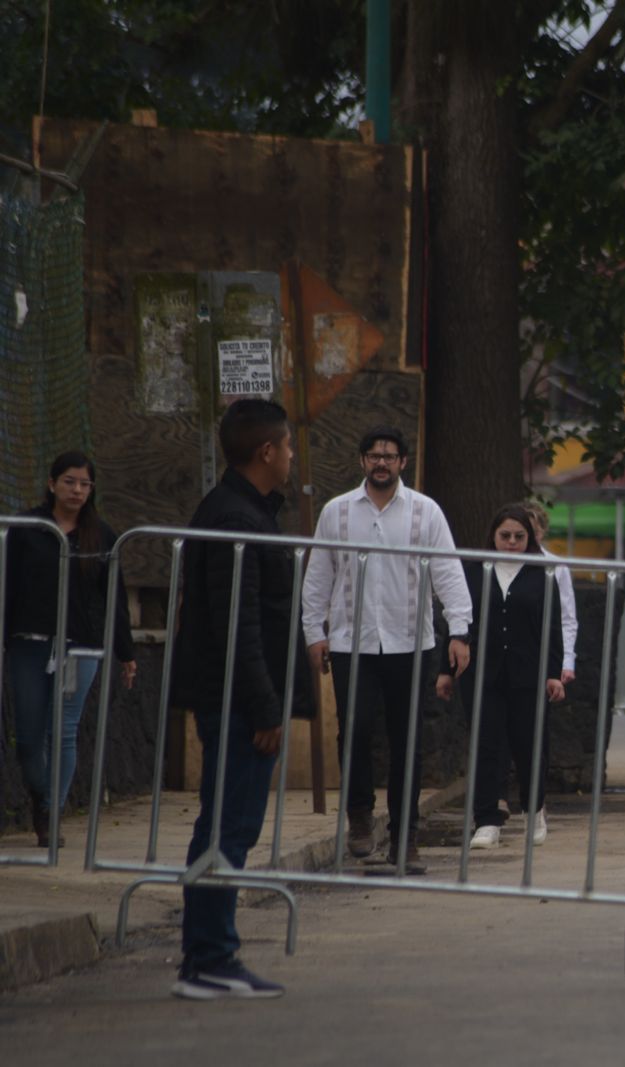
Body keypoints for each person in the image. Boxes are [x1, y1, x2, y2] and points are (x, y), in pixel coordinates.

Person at [170, 399, 313, 999]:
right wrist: (264, 709)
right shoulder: (236, 518)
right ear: (267, 452)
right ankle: (210, 958)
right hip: (236, 702)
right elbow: (240, 625)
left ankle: (208, 955)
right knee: (228, 827)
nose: (291, 456)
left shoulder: (243, 510)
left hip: (236, 697)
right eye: (287, 446)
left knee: (227, 825)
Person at [301, 427, 473, 873]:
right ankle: (360, 816)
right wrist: (313, 633)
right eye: (374, 455)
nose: (381, 463)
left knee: (407, 742)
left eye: (390, 456)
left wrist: (459, 630)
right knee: (354, 732)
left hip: (409, 641)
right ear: (361, 461)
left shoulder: (425, 511)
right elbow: (319, 575)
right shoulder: (336, 512)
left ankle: (405, 836)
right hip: (350, 641)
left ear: (403, 462)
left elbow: (448, 572)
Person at [4, 451, 136, 847]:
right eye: (69, 481)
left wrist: (125, 652)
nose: (77, 490)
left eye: (84, 484)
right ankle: (42, 798)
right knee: (28, 736)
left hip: (80, 647)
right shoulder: (26, 529)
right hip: (29, 644)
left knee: (63, 730)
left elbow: (115, 596)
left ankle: (51, 814)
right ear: (52, 483)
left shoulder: (103, 535)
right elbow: (7, 585)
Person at [446, 505, 566, 851]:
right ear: (493, 537)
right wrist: (445, 669)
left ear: (529, 539)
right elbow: (459, 621)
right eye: (505, 536)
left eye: (519, 536)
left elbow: (553, 626)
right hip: (483, 672)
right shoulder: (473, 570)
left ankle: (534, 809)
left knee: (529, 744)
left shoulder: (542, 574)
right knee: (486, 745)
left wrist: (554, 674)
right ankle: (486, 820)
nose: (511, 542)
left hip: (528, 673)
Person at [524, 503, 578, 688]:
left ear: (543, 532)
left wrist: (567, 660)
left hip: (543, 650)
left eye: (535, 533)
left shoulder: (556, 566)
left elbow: (567, 617)